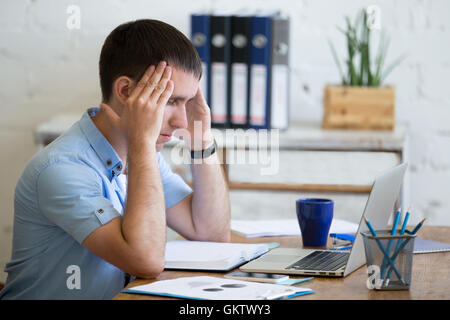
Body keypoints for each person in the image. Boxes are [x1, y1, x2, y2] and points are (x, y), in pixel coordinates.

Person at [0, 19, 230, 300]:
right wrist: (142, 143)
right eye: (170, 101)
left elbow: (212, 235)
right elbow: (145, 260)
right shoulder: (62, 169)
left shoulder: (143, 156)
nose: (182, 120)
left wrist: (201, 140)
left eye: (188, 102)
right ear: (125, 91)